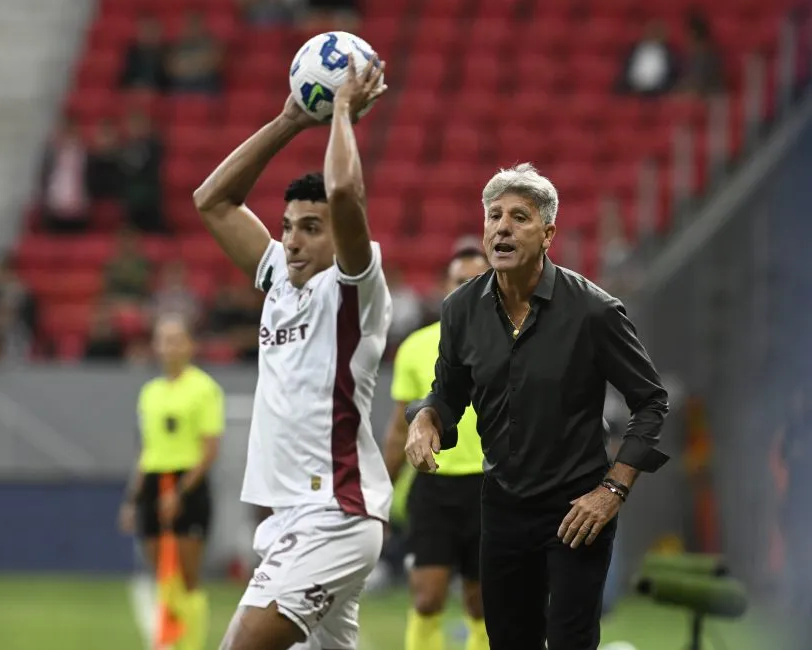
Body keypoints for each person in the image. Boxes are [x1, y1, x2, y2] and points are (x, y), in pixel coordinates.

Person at [404, 163, 670, 650]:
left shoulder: (595, 311)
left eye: (519, 217)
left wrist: (612, 490)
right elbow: (448, 395)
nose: (502, 226)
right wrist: (424, 418)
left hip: (577, 508)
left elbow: (651, 402)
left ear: (548, 233)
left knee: (570, 641)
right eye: (494, 215)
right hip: (501, 505)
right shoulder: (459, 310)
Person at [194, 54, 389, 650]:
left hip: (333, 512)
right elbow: (213, 201)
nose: (293, 239)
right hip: (289, 519)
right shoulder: (279, 276)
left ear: (340, 235)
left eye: (311, 227)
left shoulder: (355, 285)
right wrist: (287, 120)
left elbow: (342, 190)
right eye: (287, 226)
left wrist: (343, 113)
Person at [383, 242, 491, 650]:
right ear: (446, 289)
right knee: (427, 597)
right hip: (433, 485)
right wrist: (381, 488)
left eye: (478, 282)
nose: (468, 289)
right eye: (460, 282)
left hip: (489, 485)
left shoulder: (512, 344)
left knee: (481, 603)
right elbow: (399, 428)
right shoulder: (416, 347)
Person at [117, 314, 225, 650]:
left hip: (187, 484)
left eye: (176, 339)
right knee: (163, 573)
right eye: (163, 339)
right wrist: (133, 499)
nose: (169, 347)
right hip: (153, 480)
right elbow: (146, 449)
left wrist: (179, 492)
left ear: (190, 345)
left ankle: (191, 644)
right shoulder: (150, 393)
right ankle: (170, 639)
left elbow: (209, 451)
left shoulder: (205, 388)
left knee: (188, 575)